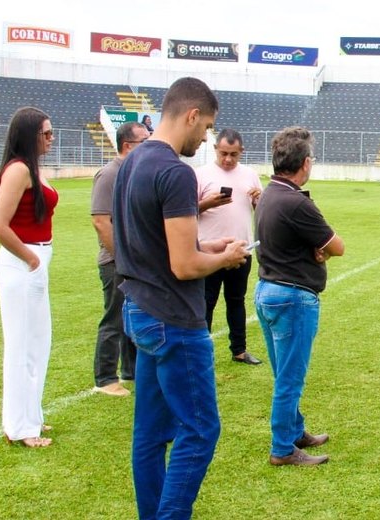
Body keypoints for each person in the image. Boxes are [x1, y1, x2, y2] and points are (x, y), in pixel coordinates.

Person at [113, 77, 249, 519]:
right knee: (201, 430)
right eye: (206, 127)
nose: (206, 137)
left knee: (150, 434)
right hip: (173, 320)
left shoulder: (131, 164)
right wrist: (223, 259)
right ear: (192, 116)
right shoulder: (174, 171)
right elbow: (184, 266)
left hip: (140, 311)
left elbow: (158, 245)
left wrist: (211, 248)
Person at [254, 126, 345, 466]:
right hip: (292, 296)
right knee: (290, 378)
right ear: (305, 163)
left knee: (284, 373)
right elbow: (337, 245)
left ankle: (295, 431)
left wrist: (313, 249)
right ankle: (282, 448)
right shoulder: (296, 202)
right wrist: (321, 251)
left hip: (268, 290)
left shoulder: (268, 195)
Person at [0, 106, 58, 448]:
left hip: (34, 259)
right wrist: (30, 258)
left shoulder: (33, 167)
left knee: (38, 342)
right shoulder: (18, 170)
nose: (51, 138)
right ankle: (20, 426)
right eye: (45, 133)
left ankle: (31, 415)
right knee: (21, 345)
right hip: (22, 262)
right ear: (29, 135)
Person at [89, 121, 150, 397]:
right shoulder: (109, 174)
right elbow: (101, 222)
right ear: (129, 146)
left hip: (133, 262)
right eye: (144, 141)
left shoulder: (134, 173)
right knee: (113, 319)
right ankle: (104, 378)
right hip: (115, 262)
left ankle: (131, 371)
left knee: (130, 318)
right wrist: (122, 258)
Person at [196, 128, 264, 365]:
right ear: (215, 149)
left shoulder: (250, 175)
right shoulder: (200, 174)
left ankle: (239, 350)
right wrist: (207, 203)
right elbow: (186, 212)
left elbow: (260, 211)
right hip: (209, 252)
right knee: (205, 302)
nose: (228, 159)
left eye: (233, 154)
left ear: (241, 152)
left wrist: (258, 201)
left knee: (237, 300)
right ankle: (200, 352)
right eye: (224, 153)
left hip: (241, 250)